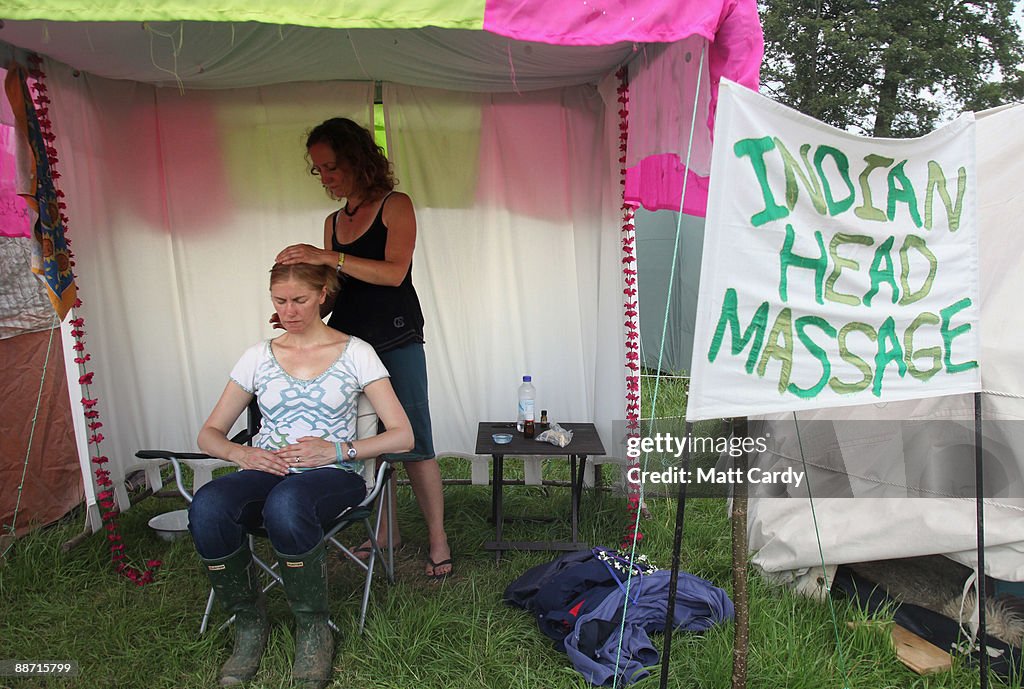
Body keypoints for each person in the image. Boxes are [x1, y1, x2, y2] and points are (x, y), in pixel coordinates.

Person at [189, 262, 413, 689]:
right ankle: (248, 624)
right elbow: (208, 434)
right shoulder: (259, 355)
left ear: (324, 294)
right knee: (210, 503)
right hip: (269, 467)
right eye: (279, 301)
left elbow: (403, 435)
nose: (288, 311)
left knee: (288, 502)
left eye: (300, 300)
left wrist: (337, 449)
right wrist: (242, 452)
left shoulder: (357, 352)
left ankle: (313, 629)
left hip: (335, 473)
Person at [275, 116, 451, 580]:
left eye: (331, 167)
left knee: (415, 441)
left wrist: (326, 255)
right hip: (350, 345)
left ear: (357, 159)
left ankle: (438, 539)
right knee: (365, 441)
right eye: (319, 171)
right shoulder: (334, 222)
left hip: (396, 338)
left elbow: (393, 273)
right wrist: (303, 310)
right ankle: (386, 531)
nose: (326, 178)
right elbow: (339, 292)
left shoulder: (396, 205)